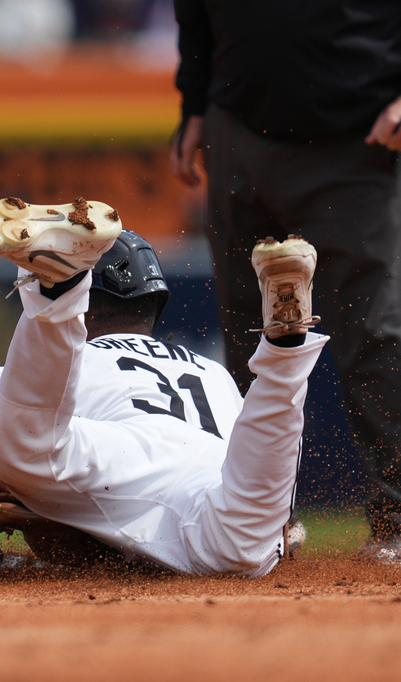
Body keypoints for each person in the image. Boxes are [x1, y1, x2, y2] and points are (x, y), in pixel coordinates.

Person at [0, 196, 325, 578]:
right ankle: (284, 351)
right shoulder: (211, 371)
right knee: (245, 536)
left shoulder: (87, 362)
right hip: (217, 487)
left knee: (24, 445)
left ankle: (58, 295)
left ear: (90, 302)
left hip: (116, 451)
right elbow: (259, 461)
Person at [168, 1, 401, 562]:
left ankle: (397, 517)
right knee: (247, 335)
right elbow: (194, 11)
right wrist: (194, 104)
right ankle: (259, 522)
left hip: (359, 134)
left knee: (376, 332)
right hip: (237, 122)